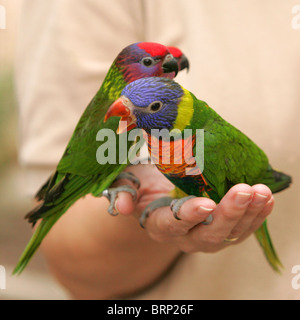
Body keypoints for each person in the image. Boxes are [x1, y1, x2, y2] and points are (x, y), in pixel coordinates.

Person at [16, 0, 300, 299]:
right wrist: (133, 198)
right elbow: (73, 259)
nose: (171, 66)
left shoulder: (191, 136)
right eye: (156, 62)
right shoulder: (125, 122)